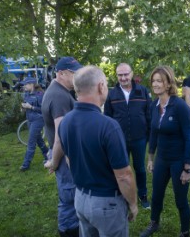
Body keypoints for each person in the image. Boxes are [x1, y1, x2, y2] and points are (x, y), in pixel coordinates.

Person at [58, 66, 138, 237]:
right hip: (106, 204)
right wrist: (133, 204)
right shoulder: (109, 126)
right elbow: (124, 175)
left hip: (80, 199)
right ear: (101, 86)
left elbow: (69, 160)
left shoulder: (65, 122)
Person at [140, 66, 190, 237]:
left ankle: (185, 232)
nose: (155, 84)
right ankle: (154, 223)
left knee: (180, 200)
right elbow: (154, 132)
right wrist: (150, 158)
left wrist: (187, 168)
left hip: (178, 160)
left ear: (168, 83)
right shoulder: (154, 105)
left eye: (159, 81)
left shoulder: (180, 106)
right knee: (156, 196)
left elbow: (189, 138)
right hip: (162, 159)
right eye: (153, 81)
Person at [42, 56, 82, 237]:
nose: (77, 77)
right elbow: (61, 137)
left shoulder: (59, 91)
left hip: (63, 154)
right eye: (74, 73)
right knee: (69, 197)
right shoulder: (59, 96)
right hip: (64, 156)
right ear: (61, 73)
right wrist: (55, 162)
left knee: (69, 195)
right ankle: (68, 231)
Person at [104, 63, 151, 209]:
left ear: (131, 74)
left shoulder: (142, 91)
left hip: (139, 138)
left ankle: (143, 195)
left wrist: (149, 135)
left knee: (140, 168)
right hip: (119, 140)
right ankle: (121, 195)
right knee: (120, 169)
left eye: (126, 74)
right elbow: (107, 117)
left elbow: (149, 115)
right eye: (120, 75)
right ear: (116, 76)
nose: (123, 78)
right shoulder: (111, 94)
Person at [19, 77, 48, 171]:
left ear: (31, 84)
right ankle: (48, 156)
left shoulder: (40, 94)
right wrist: (23, 108)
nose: (24, 86)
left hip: (38, 120)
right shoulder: (26, 94)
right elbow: (25, 104)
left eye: (25, 84)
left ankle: (25, 165)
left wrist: (31, 107)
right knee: (39, 141)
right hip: (29, 120)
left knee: (31, 142)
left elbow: (43, 110)